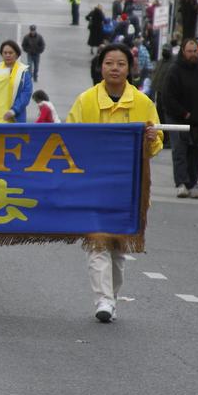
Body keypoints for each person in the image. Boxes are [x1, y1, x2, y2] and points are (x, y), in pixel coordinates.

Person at [65, 42, 162, 322]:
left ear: (130, 68)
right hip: (94, 186)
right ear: (101, 66)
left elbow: (156, 146)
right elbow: (70, 139)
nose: (115, 68)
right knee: (97, 243)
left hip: (129, 189)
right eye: (109, 63)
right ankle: (103, 300)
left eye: (120, 63)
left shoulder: (144, 103)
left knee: (118, 250)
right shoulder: (85, 100)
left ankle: (111, 297)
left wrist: (152, 141)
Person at [162, 38, 198, 198]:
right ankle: (182, 184)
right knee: (180, 150)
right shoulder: (175, 70)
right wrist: (183, 113)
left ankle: (193, 184)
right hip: (178, 117)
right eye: (190, 51)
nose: (193, 54)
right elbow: (168, 97)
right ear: (183, 52)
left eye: (195, 51)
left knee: (197, 152)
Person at [0, 40, 32, 123]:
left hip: (17, 117)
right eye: (5, 53)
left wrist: (14, 111)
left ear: (16, 54)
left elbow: (26, 94)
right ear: (1, 54)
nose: (7, 55)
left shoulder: (24, 72)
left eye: (10, 53)